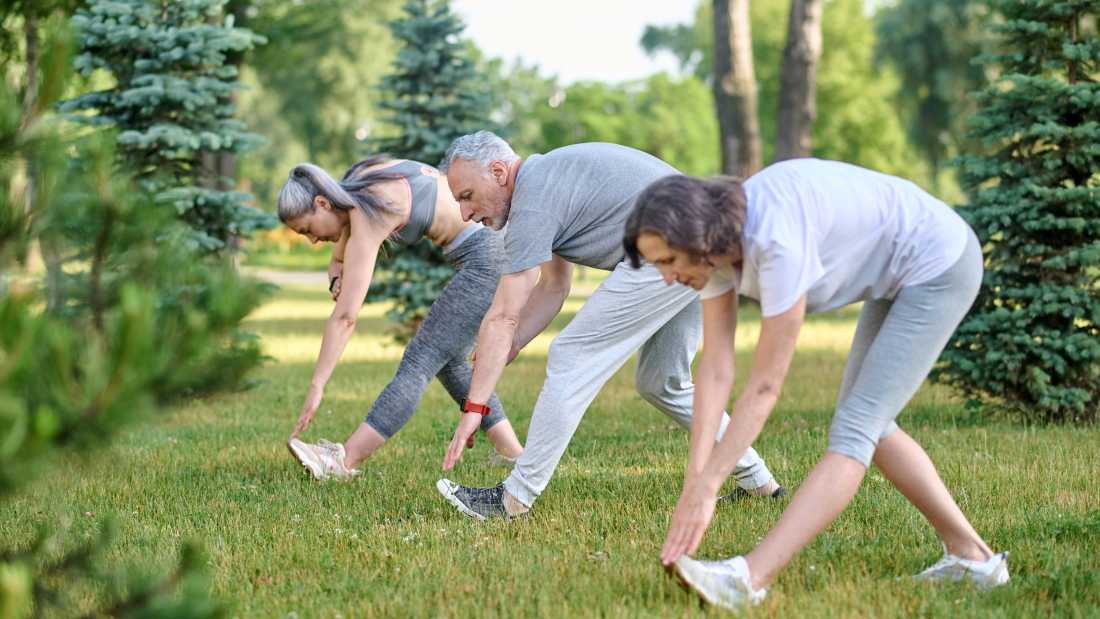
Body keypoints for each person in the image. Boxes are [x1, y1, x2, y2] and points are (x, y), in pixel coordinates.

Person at [622, 159, 1009, 610]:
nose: (667, 277)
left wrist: (712, 485)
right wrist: (696, 480)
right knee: (873, 426)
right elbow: (716, 368)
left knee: (856, 429)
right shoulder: (713, 252)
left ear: (698, 237)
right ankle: (975, 559)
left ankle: (748, 579)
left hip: (939, 263)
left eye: (668, 261)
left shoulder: (774, 239)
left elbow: (765, 389)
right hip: (902, 271)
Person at [433, 132, 783, 520]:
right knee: (662, 382)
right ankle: (759, 483)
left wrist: (474, 407)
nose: (465, 215)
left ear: (498, 171)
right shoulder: (546, 183)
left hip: (674, 246)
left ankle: (513, 499)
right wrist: (511, 344)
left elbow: (503, 315)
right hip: (701, 240)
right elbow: (554, 286)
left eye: (466, 196)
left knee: (571, 356)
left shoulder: (535, 197)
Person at [277, 156, 523, 479]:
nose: (312, 240)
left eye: (308, 229)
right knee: (449, 362)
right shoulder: (362, 178)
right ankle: (515, 455)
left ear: (323, 202)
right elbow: (347, 221)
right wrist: (338, 258)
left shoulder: (369, 212)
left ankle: (343, 462)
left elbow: (346, 318)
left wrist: (317, 384)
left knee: (420, 360)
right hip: (494, 247)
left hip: (487, 259)